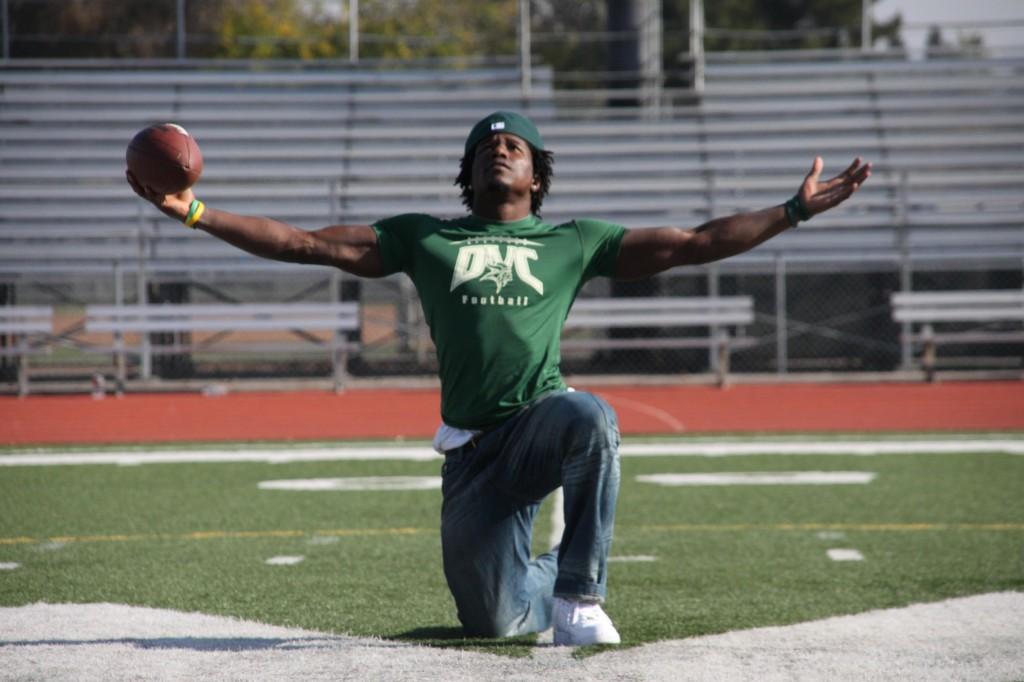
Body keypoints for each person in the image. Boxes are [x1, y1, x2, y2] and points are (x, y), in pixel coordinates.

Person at [128, 111, 871, 646]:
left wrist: (792, 211)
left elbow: (694, 243)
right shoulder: (425, 237)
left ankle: (581, 594)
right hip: (473, 457)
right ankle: (552, 575)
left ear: (537, 172)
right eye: (484, 146)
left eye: (513, 144)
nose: (497, 150)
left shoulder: (571, 240)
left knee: (592, 419)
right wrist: (194, 210)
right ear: (469, 172)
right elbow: (303, 242)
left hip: (541, 422)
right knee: (497, 621)